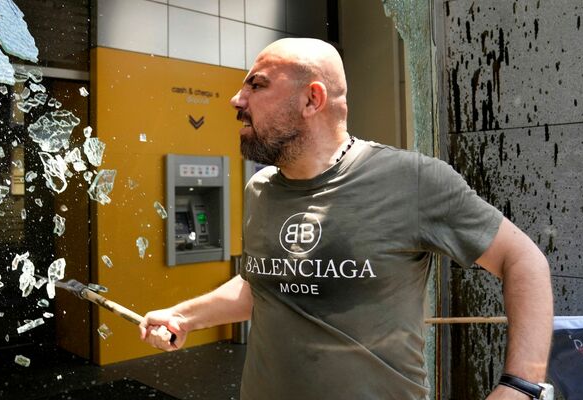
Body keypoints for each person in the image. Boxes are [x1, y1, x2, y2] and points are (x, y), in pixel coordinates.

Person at [139, 38, 553, 399]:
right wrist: (183, 315)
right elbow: (262, 288)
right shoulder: (261, 188)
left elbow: (523, 260)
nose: (237, 99)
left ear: (311, 99)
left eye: (257, 84)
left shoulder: (412, 179)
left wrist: (521, 384)